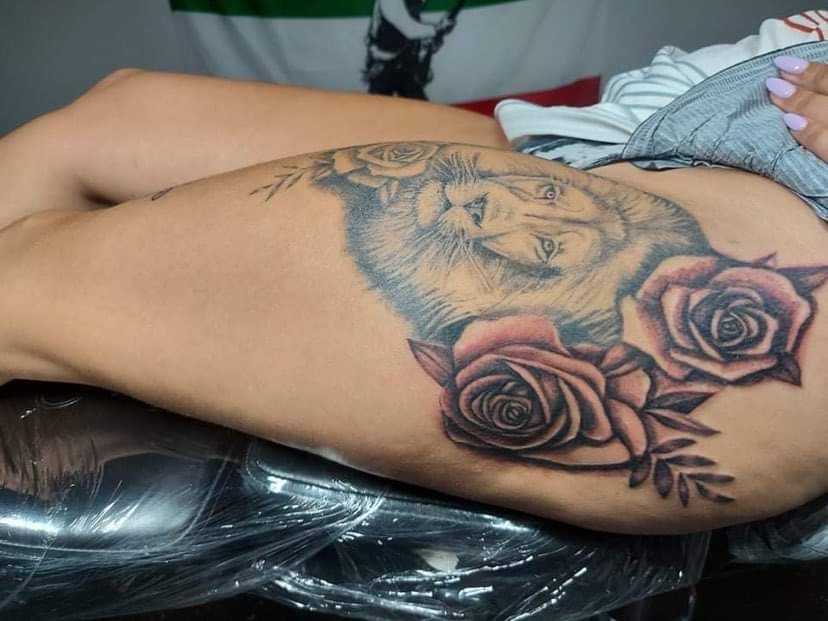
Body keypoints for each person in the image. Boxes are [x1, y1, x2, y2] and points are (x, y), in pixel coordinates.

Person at [0, 48, 826, 535]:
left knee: (21, 286)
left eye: (541, 244)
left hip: (783, 211)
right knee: (106, 117)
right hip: (651, 124)